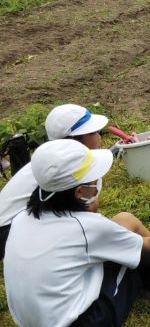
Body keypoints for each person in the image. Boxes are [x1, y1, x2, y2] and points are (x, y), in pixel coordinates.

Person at [4, 139, 150, 327]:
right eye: (94, 182)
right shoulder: (85, 227)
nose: (98, 184)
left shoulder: (22, 217)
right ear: (80, 193)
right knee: (136, 261)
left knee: (123, 223)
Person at [0, 103, 110, 260]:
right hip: (10, 234)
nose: (100, 136)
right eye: (94, 132)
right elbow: (89, 206)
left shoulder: (50, 161)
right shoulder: (63, 170)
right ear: (74, 140)